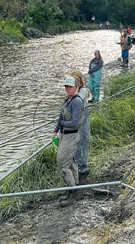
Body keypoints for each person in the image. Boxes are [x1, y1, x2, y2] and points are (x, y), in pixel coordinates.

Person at [52, 76, 85, 206]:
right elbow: (61, 117)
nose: (67, 89)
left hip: (72, 135)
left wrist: (62, 123)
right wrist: (56, 130)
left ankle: (73, 192)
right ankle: (74, 188)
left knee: (62, 164)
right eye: (66, 87)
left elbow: (75, 122)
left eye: (70, 87)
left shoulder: (77, 102)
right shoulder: (67, 101)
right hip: (64, 135)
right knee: (70, 163)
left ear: (76, 87)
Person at [70, 71, 91, 184]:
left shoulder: (82, 91)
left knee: (82, 142)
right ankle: (78, 167)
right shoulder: (74, 91)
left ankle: (83, 169)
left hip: (82, 118)